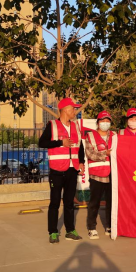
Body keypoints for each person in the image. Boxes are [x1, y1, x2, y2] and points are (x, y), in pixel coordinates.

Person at [39, 97, 85, 244]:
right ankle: (53, 232)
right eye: (73, 109)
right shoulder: (52, 125)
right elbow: (41, 142)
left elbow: (80, 146)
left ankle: (70, 230)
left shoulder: (76, 126)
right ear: (65, 110)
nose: (75, 111)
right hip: (57, 170)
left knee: (69, 202)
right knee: (55, 202)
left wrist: (82, 162)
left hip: (72, 169)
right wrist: (61, 142)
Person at [85, 111, 115, 240]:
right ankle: (92, 227)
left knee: (111, 203)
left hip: (112, 175)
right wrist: (105, 154)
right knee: (94, 203)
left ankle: (110, 226)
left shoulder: (114, 136)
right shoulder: (90, 136)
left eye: (108, 121)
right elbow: (90, 154)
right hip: (96, 175)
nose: (105, 123)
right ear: (98, 122)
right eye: (103, 121)